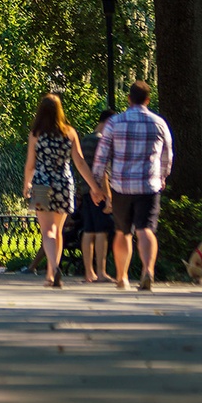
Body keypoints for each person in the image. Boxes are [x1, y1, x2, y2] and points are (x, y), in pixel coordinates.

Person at [93, 81, 174, 291]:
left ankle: (122, 277)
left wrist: (97, 185)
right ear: (148, 100)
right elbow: (167, 155)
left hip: (121, 186)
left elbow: (102, 156)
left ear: (128, 99)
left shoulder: (115, 123)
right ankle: (148, 270)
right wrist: (163, 176)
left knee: (122, 232)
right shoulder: (159, 123)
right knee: (146, 229)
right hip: (149, 185)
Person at [22, 93, 93, 289]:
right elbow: (79, 161)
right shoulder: (69, 132)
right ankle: (52, 274)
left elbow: (30, 165)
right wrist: (94, 186)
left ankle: (53, 268)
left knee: (47, 231)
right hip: (63, 182)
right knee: (58, 231)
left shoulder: (36, 134)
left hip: (41, 182)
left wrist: (26, 185)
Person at [77, 110, 116, 283]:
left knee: (88, 230)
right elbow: (103, 171)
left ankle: (89, 272)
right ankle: (101, 272)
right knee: (102, 231)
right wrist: (108, 195)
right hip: (98, 191)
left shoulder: (85, 139)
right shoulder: (102, 140)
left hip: (85, 190)